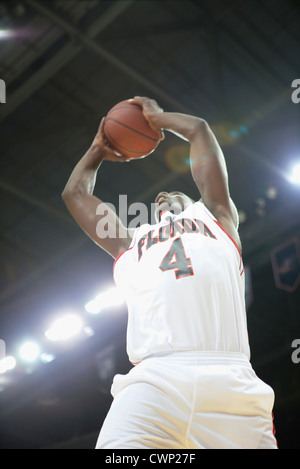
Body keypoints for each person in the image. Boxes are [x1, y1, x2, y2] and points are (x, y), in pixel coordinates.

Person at [62, 97, 277, 449]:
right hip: (155, 378)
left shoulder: (217, 217)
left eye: (172, 191)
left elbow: (199, 130)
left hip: (230, 378)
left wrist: (156, 120)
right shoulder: (131, 243)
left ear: (192, 200)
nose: (162, 195)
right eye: (158, 197)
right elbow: (74, 193)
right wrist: (98, 149)